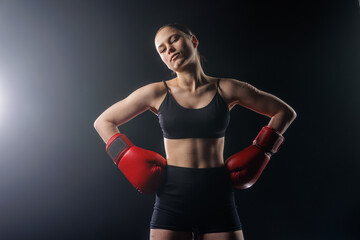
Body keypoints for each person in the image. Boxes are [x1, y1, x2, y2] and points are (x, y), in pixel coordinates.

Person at [94, 23, 297, 240]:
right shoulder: (157, 92)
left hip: (218, 196)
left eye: (173, 39)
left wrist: (262, 150)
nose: (169, 49)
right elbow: (103, 122)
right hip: (172, 199)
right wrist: (125, 157)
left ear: (193, 40)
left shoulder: (227, 88)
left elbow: (284, 112)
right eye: (162, 49)